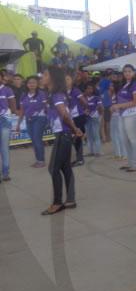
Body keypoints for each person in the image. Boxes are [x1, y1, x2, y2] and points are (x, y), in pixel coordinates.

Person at [40, 66, 83, 215]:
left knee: (53, 168)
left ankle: (57, 203)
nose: (42, 77)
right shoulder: (54, 93)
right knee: (65, 168)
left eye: (45, 74)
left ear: (52, 77)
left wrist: (74, 129)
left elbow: (64, 115)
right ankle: (70, 200)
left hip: (62, 134)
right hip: (64, 134)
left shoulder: (56, 94)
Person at [111, 64, 136, 172]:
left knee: (133, 139)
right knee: (125, 140)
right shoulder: (125, 84)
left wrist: (118, 106)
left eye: (129, 71)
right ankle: (131, 163)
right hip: (123, 114)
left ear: (134, 72)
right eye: (125, 71)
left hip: (134, 114)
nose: (127, 73)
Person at [16, 76, 48, 168]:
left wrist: (48, 119)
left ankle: (41, 161)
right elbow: (22, 111)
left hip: (39, 119)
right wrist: (18, 124)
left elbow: (47, 107)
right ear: (26, 84)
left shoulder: (42, 94)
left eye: (34, 82)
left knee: (37, 139)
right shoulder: (23, 95)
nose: (32, 84)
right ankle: (38, 160)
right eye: (29, 83)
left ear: (37, 84)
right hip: (28, 120)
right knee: (34, 141)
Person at [65, 73, 87, 167]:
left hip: (78, 117)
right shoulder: (62, 92)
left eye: (68, 79)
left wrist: (81, 110)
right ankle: (76, 158)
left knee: (77, 138)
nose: (66, 81)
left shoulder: (75, 90)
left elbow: (84, 101)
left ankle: (80, 159)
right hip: (69, 118)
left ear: (72, 80)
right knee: (71, 139)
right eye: (64, 80)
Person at [0, 69, 16, 182]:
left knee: (4, 148)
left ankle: (5, 173)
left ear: (2, 78)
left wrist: (12, 114)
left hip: (4, 120)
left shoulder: (7, 90)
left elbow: (13, 105)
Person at [84, 82, 103, 157]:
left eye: (91, 88)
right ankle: (91, 151)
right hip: (86, 118)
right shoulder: (83, 98)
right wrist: (84, 111)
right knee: (89, 135)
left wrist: (99, 114)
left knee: (96, 134)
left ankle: (98, 151)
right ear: (85, 89)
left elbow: (100, 106)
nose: (90, 90)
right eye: (88, 88)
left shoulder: (96, 97)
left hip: (95, 117)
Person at [108, 83, 126, 161]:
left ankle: (124, 154)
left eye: (112, 86)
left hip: (119, 116)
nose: (110, 87)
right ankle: (117, 154)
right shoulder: (112, 95)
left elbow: (122, 105)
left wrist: (115, 108)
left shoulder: (119, 95)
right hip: (114, 116)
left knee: (119, 135)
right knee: (113, 134)